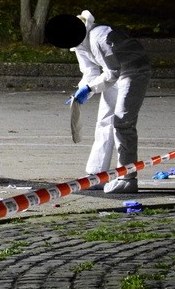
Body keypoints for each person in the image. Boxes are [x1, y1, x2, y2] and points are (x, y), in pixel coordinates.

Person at [45, 10, 152, 194]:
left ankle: (127, 178)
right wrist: (82, 88)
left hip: (134, 72)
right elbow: (90, 72)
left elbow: (113, 73)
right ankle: (96, 175)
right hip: (114, 74)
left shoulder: (101, 37)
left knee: (122, 124)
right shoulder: (80, 41)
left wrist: (90, 89)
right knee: (104, 123)